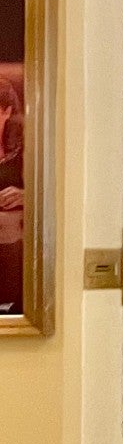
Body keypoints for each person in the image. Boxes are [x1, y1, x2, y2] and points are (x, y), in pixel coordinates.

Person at [0, 74, 24, 316]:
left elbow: (52, 193)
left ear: (7, 112)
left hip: (16, 247)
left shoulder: (23, 150)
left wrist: (26, 196)